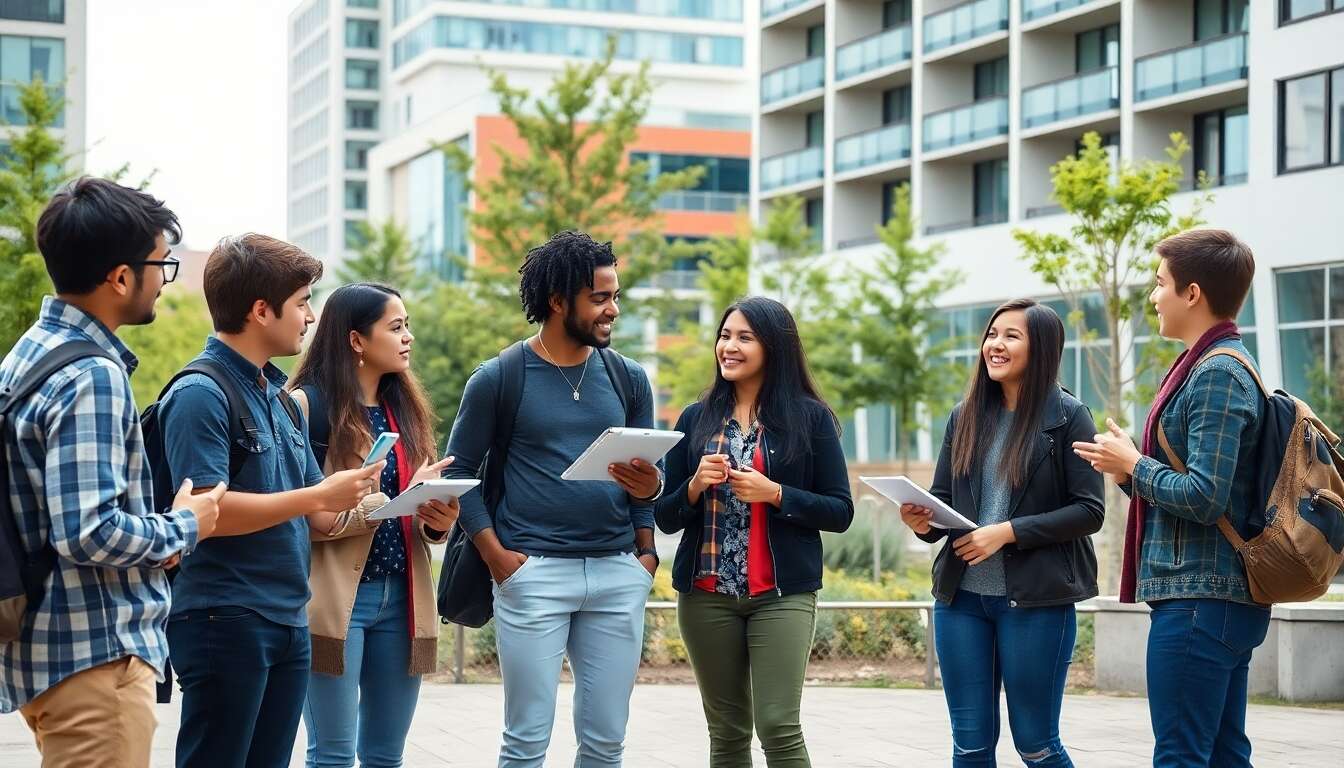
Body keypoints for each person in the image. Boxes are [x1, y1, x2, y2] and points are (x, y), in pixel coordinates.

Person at [0, 177, 223, 766]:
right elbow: (89, 531)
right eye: (160, 264)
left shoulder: (29, 355)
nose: (162, 279)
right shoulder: (93, 376)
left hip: (48, 651)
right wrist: (184, 524)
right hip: (96, 657)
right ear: (120, 277)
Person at [157, 234, 385, 768]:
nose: (310, 317)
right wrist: (318, 493)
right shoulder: (200, 393)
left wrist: (404, 503)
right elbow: (204, 515)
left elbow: (321, 514)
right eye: (303, 301)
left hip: (286, 615)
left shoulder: (279, 398)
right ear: (261, 310)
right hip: (225, 617)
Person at [442, 230, 662, 767]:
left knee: (606, 742)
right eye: (601, 298)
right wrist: (499, 559)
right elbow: (460, 474)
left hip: (616, 571)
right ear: (558, 301)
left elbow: (647, 475)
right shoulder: (500, 377)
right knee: (525, 743)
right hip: (531, 573)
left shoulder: (628, 378)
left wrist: (645, 547)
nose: (613, 309)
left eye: (616, 295)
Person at [1073, 229, 1265, 768]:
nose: (1153, 296)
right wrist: (1126, 467)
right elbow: (1197, 489)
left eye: (1160, 283)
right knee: (1224, 755)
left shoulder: (1218, 373)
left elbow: (1205, 496)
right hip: (1211, 596)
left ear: (1193, 293)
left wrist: (1136, 464)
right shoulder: (1208, 365)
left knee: (1181, 756)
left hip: (1203, 598)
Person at [899, 298, 1104, 768]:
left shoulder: (1069, 417)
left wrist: (1007, 532)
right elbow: (943, 497)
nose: (995, 344)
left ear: (1043, 349)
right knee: (970, 746)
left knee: (1036, 743)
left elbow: (1089, 511)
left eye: (1011, 336)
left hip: (1035, 602)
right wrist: (924, 521)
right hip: (961, 601)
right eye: (992, 334)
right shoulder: (964, 415)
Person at [654, 297, 853, 767]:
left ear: (774, 347)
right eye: (725, 335)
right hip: (706, 596)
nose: (730, 346)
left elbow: (840, 511)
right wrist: (695, 485)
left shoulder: (810, 418)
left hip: (781, 596)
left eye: (745, 337)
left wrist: (776, 493)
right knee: (726, 732)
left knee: (779, 725)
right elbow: (663, 516)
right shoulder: (694, 419)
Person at [288, 282, 459, 767]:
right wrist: (388, 502)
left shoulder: (403, 410)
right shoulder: (307, 408)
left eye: (408, 327)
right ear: (356, 340)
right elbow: (306, 515)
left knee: (386, 755)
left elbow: (417, 520)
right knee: (334, 755)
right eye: (396, 327)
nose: (408, 338)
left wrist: (436, 520)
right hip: (337, 600)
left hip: (402, 599)